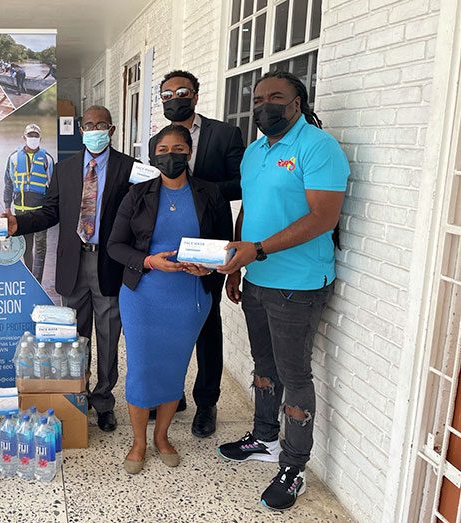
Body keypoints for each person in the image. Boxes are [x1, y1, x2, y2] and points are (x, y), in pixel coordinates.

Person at [216, 71, 349, 511]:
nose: (264, 105)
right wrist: (238, 265)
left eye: (276, 97)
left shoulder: (317, 147)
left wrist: (258, 249)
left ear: (298, 102)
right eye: (258, 99)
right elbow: (250, 210)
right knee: (263, 365)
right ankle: (264, 436)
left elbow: (322, 217)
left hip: (298, 284)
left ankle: (294, 466)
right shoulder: (254, 152)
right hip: (256, 278)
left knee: (294, 376)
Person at [107, 125, 233, 474]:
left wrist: (210, 269)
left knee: (174, 369)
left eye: (178, 147)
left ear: (189, 152)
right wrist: (148, 261)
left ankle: (162, 436)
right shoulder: (137, 195)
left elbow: (225, 245)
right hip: (144, 294)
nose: (170, 154)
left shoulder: (210, 194)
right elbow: (115, 245)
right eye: (162, 148)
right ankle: (138, 442)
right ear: (153, 155)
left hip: (189, 298)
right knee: (142, 368)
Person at [5, 106, 135, 433]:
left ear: (112, 129)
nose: (94, 130)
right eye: (89, 125)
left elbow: (138, 217)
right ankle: (77, 395)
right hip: (73, 263)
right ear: (80, 129)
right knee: (75, 339)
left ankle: (103, 401)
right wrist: (18, 222)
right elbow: (49, 213)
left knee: (107, 337)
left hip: (108, 263)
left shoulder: (129, 168)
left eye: (101, 125)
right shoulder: (64, 169)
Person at [151, 70, 245, 438]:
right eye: (167, 93)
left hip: (208, 243)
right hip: (168, 246)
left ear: (196, 94)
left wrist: (201, 189)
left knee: (207, 325)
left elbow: (242, 182)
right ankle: (173, 393)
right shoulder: (157, 140)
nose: (175, 97)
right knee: (170, 323)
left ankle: (207, 402)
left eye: (182, 91)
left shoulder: (225, 134)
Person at [3, 124, 55, 282]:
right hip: (20, 212)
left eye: (35, 135)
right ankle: (30, 277)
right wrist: (7, 208)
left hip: (40, 213)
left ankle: (37, 280)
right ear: (23, 137)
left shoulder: (47, 159)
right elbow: (8, 184)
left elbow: (53, 187)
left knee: (40, 248)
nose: (33, 138)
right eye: (30, 135)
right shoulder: (13, 158)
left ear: (40, 138)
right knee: (25, 246)